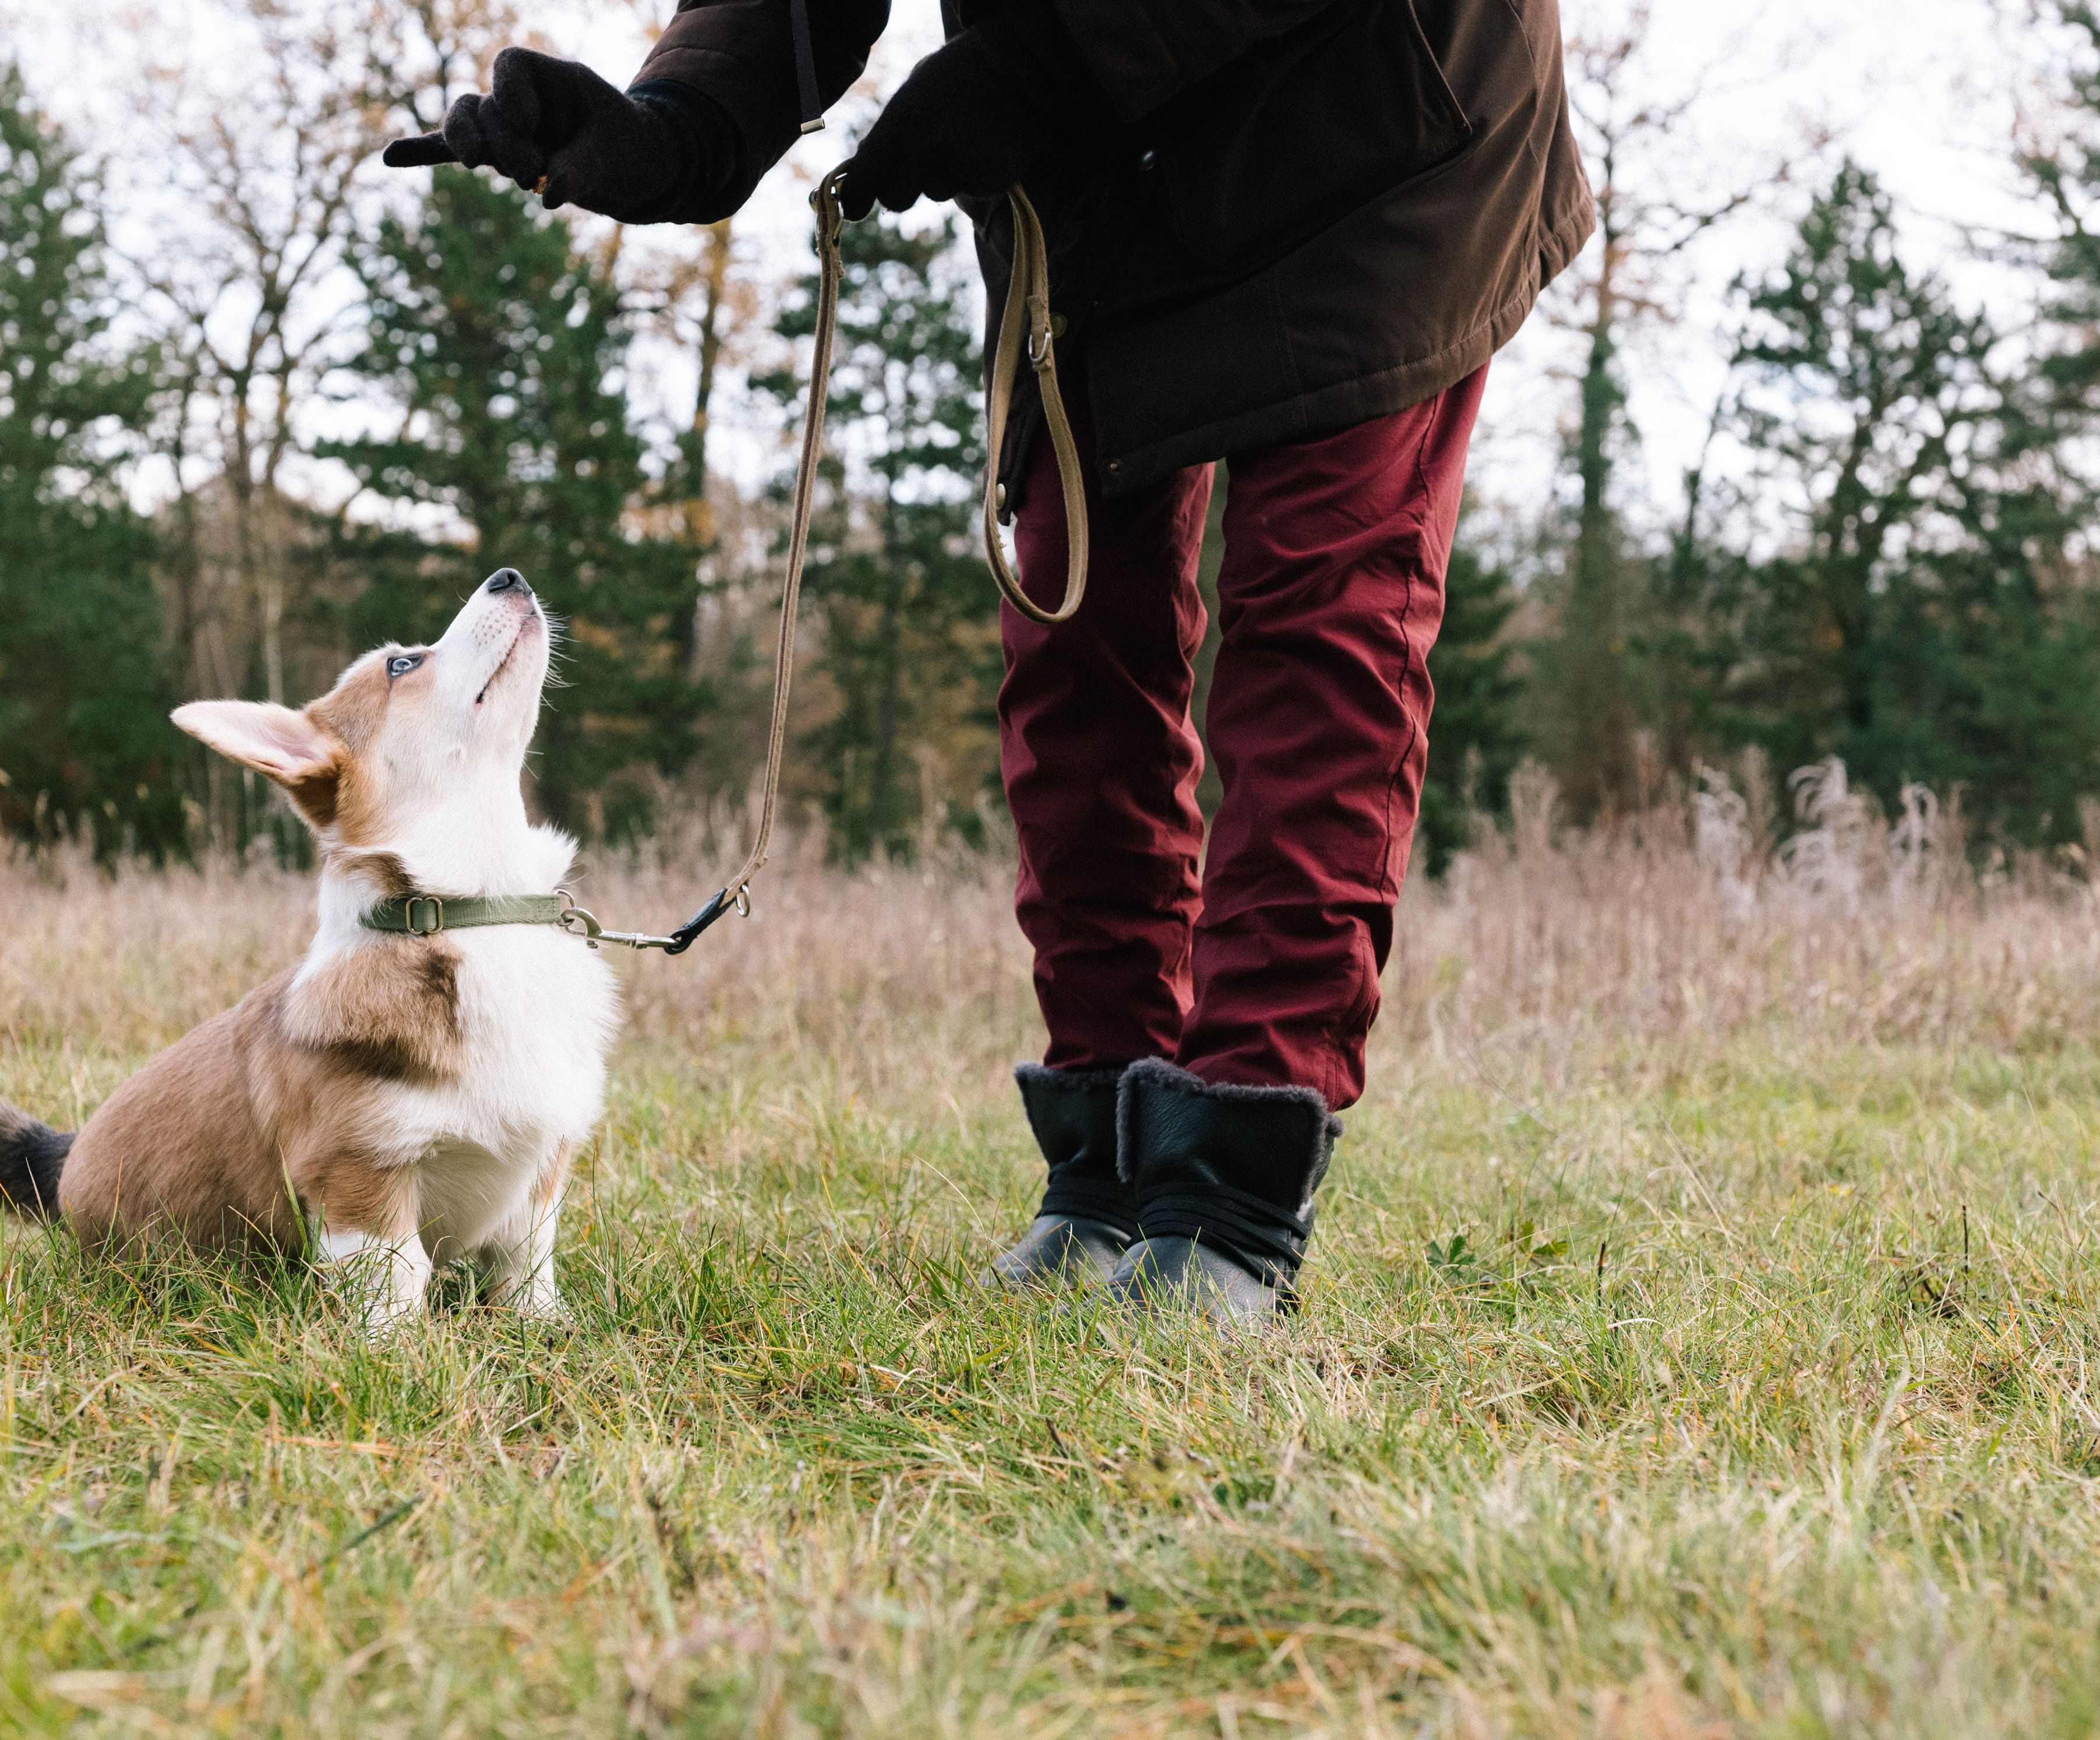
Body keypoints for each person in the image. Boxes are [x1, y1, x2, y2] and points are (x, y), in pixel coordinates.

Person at [390, 0, 1594, 1322]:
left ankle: (1233, 1197)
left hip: (1374, 127)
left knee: (1316, 647)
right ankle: (1103, 1165)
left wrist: (1056, 61)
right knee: (1074, 654)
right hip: (1097, 197)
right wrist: (681, 127)